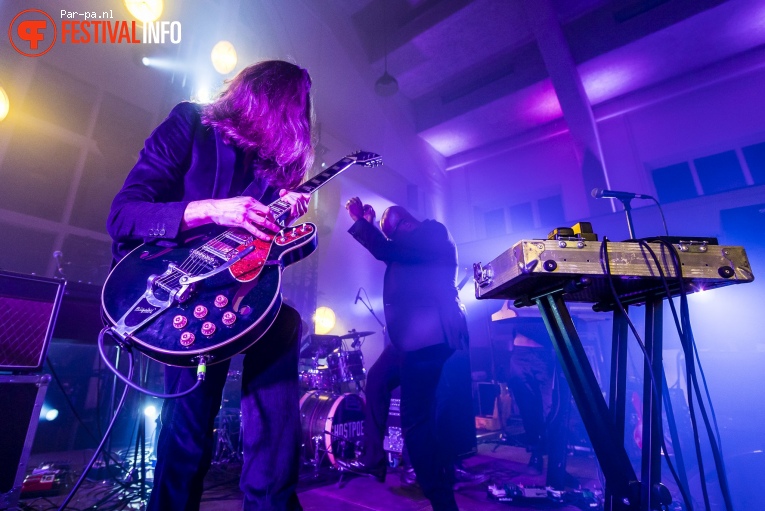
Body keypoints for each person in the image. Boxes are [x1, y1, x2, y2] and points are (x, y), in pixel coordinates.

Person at [107, 60, 313, 511]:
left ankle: (270, 501)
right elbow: (124, 214)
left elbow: (255, 249)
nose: (295, 123)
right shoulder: (190, 122)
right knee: (190, 426)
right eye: (290, 109)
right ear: (262, 98)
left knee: (285, 324)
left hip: (236, 290)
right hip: (176, 288)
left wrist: (280, 213)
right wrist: (214, 210)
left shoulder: (269, 169)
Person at [344, 199, 469, 511]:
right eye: (387, 228)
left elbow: (390, 250)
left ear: (408, 222)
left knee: (416, 424)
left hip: (430, 337)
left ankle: (443, 503)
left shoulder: (433, 233)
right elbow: (391, 251)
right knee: (375, 380)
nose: (391, 231)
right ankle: (374, 460)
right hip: (408, 339)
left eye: (393, 224)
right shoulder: (404, 248)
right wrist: (374, 228)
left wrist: (365, 224)